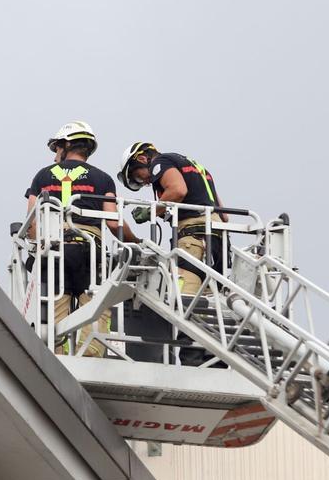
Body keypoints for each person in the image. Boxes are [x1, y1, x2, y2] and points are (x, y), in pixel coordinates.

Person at [25, 121, 138, 356]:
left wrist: (36, 250)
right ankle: (91, 355)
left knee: (55, 309)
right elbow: (113, 222)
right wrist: (135, 242)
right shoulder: (103, 179)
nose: (56, 154)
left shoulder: (42, 176)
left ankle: (57, 357)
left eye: (56, 148)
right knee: (94, 308)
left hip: (55, 251)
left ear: (66, 145)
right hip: (91, 251)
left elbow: (32, 221)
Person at [117, 142, 227, 295]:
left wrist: (150, 211)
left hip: (193, 237)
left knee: (182, 296)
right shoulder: (197, 168)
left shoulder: (160, 162)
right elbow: (224, 216)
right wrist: (164, 211)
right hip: (218, 237)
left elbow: (178, 190)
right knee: (210, 297)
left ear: (142, 159)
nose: (146, 182)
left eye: (138, 177)